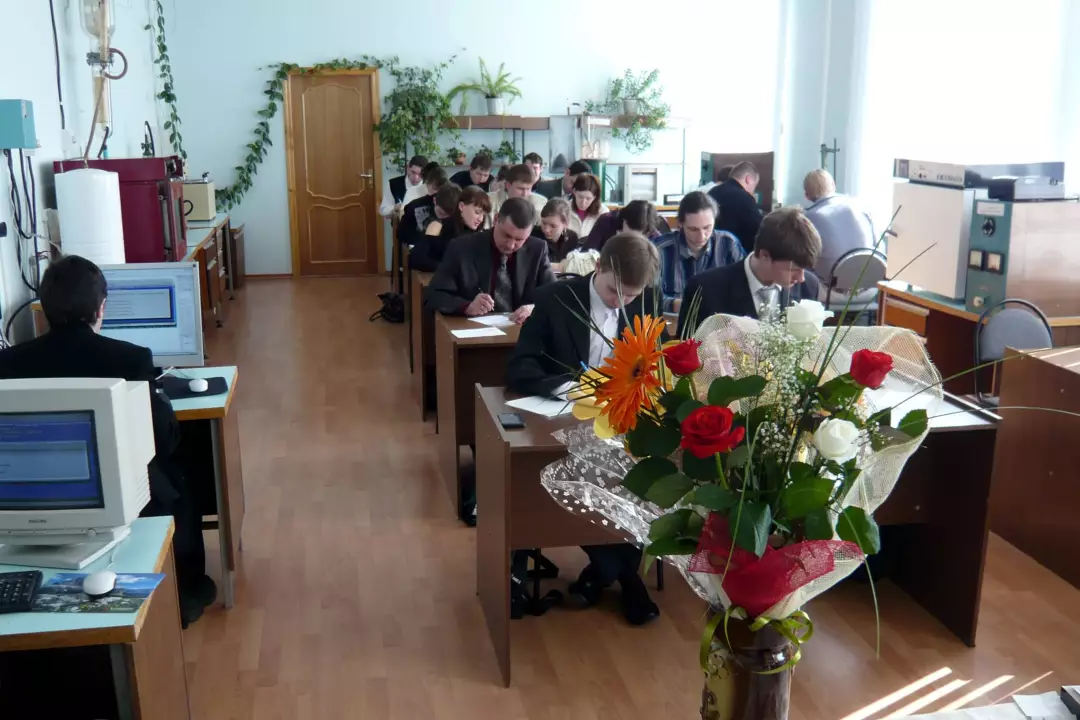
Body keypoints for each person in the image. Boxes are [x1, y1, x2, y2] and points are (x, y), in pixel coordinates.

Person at [0, 256, 215, 627]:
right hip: (119, 495)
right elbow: (162, 438)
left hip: (33, 490)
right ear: (100, 308)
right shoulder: (131, 358)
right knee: (179, 476)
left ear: (44, 308)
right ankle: (186, 591)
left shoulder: (8, 363)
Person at [505, 232, 662, 626]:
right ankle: (624, 577)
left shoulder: (645, 303)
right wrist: (569, 387)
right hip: (561, 422)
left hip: (622, 425)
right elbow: (521, 367)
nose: (620, 302)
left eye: (630, 296)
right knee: (574, 481)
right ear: (598, 267)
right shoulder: (554, 299)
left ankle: (604, 572)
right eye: (613, 291)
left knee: (640, 480)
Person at [677, 206, 822, 336]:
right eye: (794, 269)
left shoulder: (809, 286)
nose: (801, 278)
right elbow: (685, 352)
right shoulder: (705, 290)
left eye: (804, 269)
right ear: (764, 255)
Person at [424, 197, 555, 324]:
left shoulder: (537, 250)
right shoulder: (462, 248)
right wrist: (467, 307)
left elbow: (556, 296)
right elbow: (434, 295)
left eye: (519, 240)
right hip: (474, 330)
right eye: (506, 235)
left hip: (520, 330)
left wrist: (534, 308)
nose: (510, 245)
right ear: (496, 219)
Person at [654, 192, 747, 312]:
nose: (701, 236)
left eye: (707, 227)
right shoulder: (659, 250)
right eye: (693, 229)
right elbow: (647, 299)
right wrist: (687, 306)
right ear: (680, 224)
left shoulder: (729, 244)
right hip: (674, 320)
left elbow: (745, 287)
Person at [802, 169, 878, 300]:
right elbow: (877, 246)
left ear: (807, 195)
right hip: (871, 291)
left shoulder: (809, 218)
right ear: (833, 185)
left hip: (831, 292)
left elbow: (806, 258)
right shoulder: (861, 206)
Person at [410, 186, 491, 272]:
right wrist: (449, 269)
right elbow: (416, 258)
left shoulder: (481, 236)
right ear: (461, 206)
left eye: (483, 215)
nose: (481, 219)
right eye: (477, 212)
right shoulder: (438, 227)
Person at [708, 161, 764, 251]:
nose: (753, 191)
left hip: (711, 251)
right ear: (748, 179)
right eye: (755, 185)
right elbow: (759, 231)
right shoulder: (746, 199)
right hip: (736, 253)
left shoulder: (712, 192)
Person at [397, 166, 449, 247]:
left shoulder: (413, 205)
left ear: (428, 184)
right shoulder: (453, 202)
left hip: (421, 247)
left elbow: (401, 235)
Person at [586, 199, 663, 250]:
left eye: (640, 235)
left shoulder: (655, 236)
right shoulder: (606, 221)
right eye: (630, 234)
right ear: (624, 220)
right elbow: (587, 253)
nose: (633, 239)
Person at [379, 155, 427, 219]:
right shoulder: (394, 184)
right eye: (413, 172)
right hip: (400, 223)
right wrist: (394, 208)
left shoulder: (429, 185)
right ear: (408, 168)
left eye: (421, 174)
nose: (416, 178)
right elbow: (383, 211)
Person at [537, 197, 580, 266]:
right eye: (544, 223)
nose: (546, 230)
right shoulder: (533, 235)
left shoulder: (572, 238)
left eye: (553, 226)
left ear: (566, 224)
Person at [568, 173, 609, 238]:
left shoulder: (603, 212)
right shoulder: (564, 209)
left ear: (595, 197)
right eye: (580, 197)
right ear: (574, 192)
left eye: (588, 199)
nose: (583, 203)